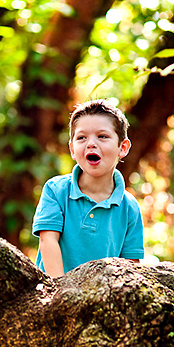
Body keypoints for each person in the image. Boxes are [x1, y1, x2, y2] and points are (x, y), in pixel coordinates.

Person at [32, 99, 145, 277]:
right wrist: (60, 291)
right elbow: (48, 240)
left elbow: (130, 266)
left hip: (102, 298)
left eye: (102, 136)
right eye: (81, 138)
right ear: (72, 149)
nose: (91, 143)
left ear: (122, 148)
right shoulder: (55, 190)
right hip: (54, 293)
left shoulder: (130, 208)